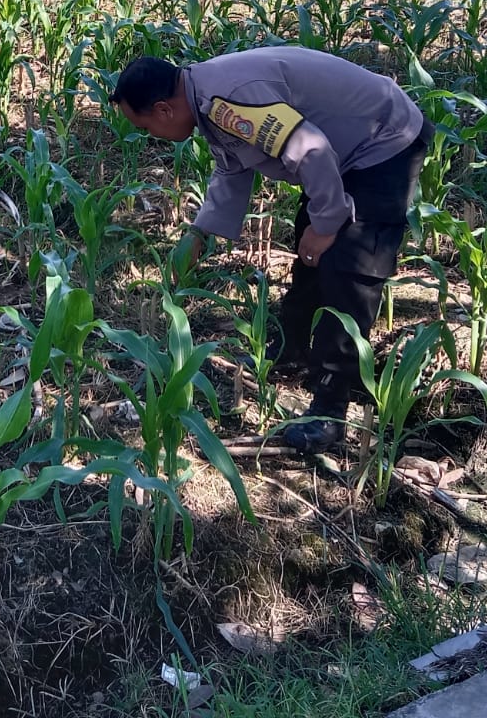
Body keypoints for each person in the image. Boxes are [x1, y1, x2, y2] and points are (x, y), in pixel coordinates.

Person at [110, 47, 433, 454]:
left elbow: (312, 150)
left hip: (382, 142)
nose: (149, 136)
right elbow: (232, 167)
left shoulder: (228, 102)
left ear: (163, 110)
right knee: (311, 251)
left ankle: (329, 413)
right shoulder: (206, 98)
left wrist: (329, 222)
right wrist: (200, 233)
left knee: (350, 268)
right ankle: (292, 352)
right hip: (349, 151)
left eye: (144, 126)